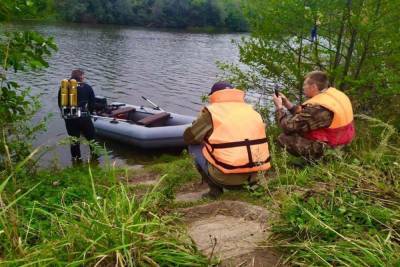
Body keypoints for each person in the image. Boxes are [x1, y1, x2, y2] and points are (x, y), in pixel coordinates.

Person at [184, 81, 271, 198]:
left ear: (214, 95)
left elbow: (189, 138)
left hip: (226, 179)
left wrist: (199, 119)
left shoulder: (211, 113)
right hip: (257, 175)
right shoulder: (252, 111)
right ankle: (253, 186)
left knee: (194, 146)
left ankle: (215, 191)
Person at [273, 71, 355, 160]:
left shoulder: (318, 108)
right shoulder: (335, 95)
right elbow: (303, 114)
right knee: (301, 127)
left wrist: (279, 107)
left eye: (305, 85)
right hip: (345, 140)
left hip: (332, 147)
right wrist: (287, 103)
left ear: (314, 87)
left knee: (284, 138)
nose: (303, 87)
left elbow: (288, 127)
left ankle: (322, 160)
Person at [58, 69, 96, 163]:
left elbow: (60, 103)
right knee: (92, 139)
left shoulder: (64, 88)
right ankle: (95, 160)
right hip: (83, 117)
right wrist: (89, 113)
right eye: (84, 76)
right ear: (82, 76)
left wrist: (66, 116)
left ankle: (76, 161)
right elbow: (92, 104)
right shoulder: (87, 87)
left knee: (74, 141)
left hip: (70, 118)